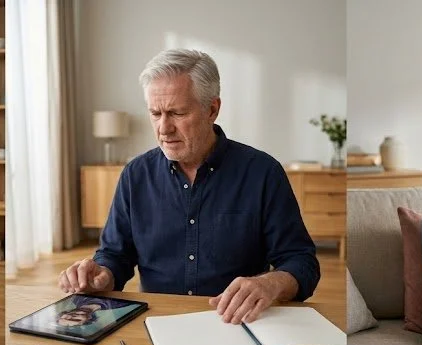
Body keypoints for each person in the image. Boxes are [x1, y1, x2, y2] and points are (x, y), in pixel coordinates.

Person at [58, 48, 319, 325]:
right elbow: (115, 255)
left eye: (177, 113)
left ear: (212, 109)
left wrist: (271, 283)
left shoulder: (263, 173)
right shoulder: (135, 175)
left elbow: (301, 262)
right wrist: (101, 275)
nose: (163, 128)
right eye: (155, 113)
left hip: (236, 323)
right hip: (157, 323)